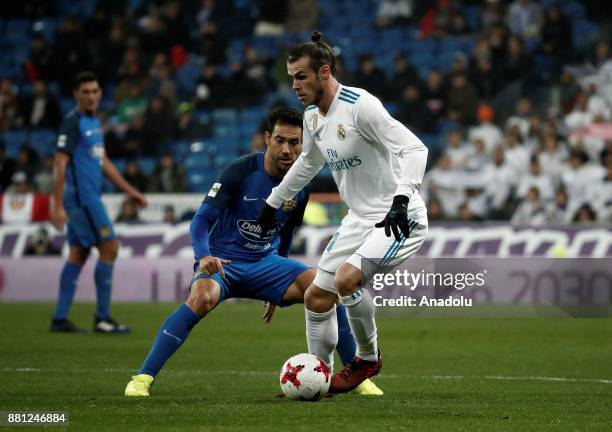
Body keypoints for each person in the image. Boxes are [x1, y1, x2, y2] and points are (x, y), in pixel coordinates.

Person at [124, 108, 383, 397]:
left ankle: (355, 378)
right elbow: (201, 220)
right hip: (224, 263)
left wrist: (278, 284)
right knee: (201, 298)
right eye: (280, 141)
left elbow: (286, 231)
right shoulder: (241, 170)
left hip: (265, 264)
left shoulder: (301, 184)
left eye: (295, 142)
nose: (287, 150)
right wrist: (203, 257)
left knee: (326, 288)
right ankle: (142, 378)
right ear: (267, 139)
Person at [256, 32, 428, 394]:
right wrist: (272, 204)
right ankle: (317, 379)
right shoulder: (312, 119)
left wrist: (401, 199)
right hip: (359, 219)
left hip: (400, 217)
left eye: (301, 76)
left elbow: (415, 149)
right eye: (291, 78)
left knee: (348, 280)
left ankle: (367, 358)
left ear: (324, 72)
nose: (295, 85)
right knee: (316, 297)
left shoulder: (360, 105)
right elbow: (307, 164)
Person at [50, 71, 148, 334]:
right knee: (110, 247)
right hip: (83, 199)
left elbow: (103, 162)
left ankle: (59, 319)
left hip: (88, 197)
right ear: (76, 95)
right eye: (85, 92)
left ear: (100, 93)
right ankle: (102, 318)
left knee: (79, 253)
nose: (91, 96)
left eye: (95, 91)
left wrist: (131, 191)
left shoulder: (94, 122)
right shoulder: (73, 122)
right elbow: (60, 163)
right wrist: (56, 205)